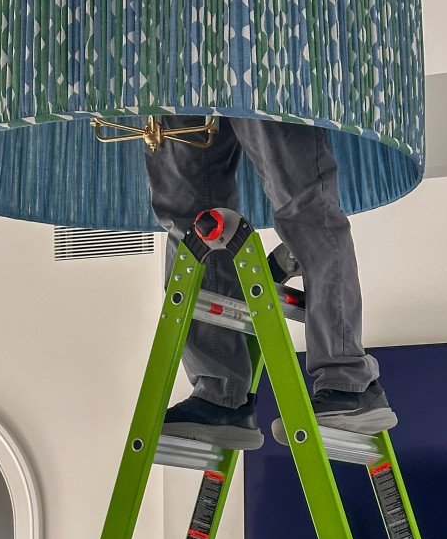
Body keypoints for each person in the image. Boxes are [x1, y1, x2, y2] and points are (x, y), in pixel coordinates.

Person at [144, 116, 396, 450]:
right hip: (179, 67)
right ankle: (219, 394)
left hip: (262, 67)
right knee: (189, 223)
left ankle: (349, 380)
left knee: (303, 200)